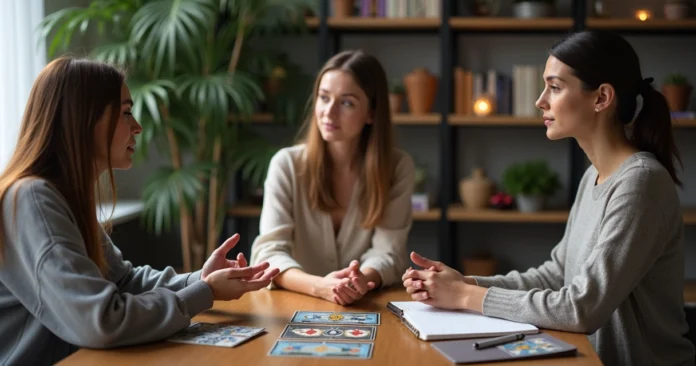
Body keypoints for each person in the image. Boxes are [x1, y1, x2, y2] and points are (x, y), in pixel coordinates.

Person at [403, 30, 696, 365]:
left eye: (555, 87)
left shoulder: (640, 183)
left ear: (601, 98)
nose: (540, 100)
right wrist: (462, 282)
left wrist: (466, 296)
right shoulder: (594, 176)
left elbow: (580, 308)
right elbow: (555, 275)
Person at [0, 57, 279, 365]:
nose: (137, 127)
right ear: (83, 119)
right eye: (126, 113)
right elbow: (101, 323)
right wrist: (204, 293)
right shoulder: (32, 199)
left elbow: (123, 281)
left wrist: (201, 279)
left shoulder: (60, 196)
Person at [249, 50, 415, 306]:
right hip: (291, 305)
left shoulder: (397, 167)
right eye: (324, 98)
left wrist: (359, 281)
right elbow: (269, 254)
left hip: (366, 305)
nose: (329, 112)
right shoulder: (286, 165)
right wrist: (320, 286)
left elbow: (389, 252)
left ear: (371, 112)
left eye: (346, 102)